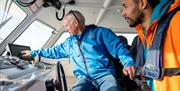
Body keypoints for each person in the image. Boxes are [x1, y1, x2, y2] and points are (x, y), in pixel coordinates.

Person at [21, 10, 135, 91]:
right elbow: (53, 51)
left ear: (75, 23)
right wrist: (33, 52)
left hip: (104, 75)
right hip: (84, 78)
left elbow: (119, 48)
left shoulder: (101, 33)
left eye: (67, 26)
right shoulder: (69, 43)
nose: (66, 29)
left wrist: (128, 63)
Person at [120, 0, 180, 91]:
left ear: (142, 3)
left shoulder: (177, 20)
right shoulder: (142, 37)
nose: (123, 13)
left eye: (125, 6)